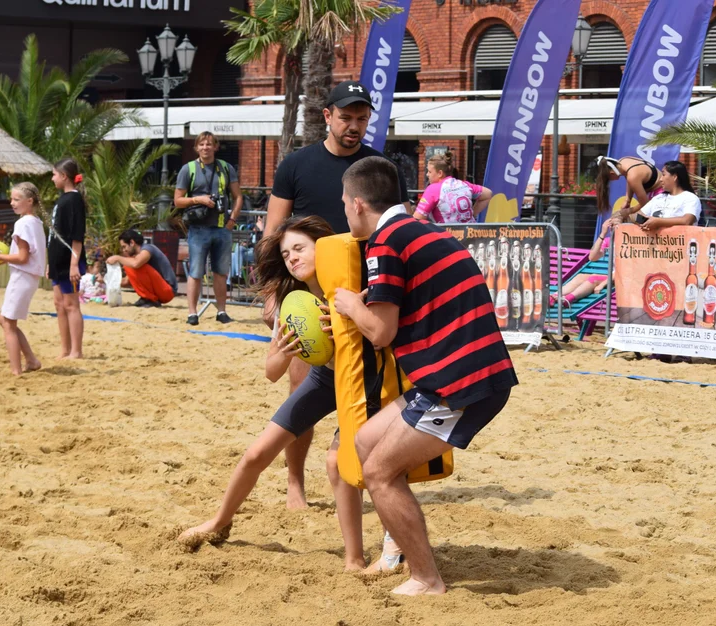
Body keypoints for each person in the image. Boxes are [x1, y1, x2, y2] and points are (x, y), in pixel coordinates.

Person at [333, 156, 518, 596]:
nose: (344, 211)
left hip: (461, 383)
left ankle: (427, 578)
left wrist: (349, 305)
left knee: (378, 472)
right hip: (461, 371)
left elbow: (380, 332)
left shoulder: (385, 242)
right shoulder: (422, 231)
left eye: (343, 203)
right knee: (365, 441)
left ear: (358, 204)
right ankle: (398, 548)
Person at [178, 215, 368, 572]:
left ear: (321, 247)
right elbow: (271, 373)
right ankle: (219, 521)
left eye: (299, 248)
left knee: (336, 464)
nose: (292, 258)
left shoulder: (350, 282)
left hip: (361, 378)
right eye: (285, 254)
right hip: (325, 378)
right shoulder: (291, 300)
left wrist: (350, 320)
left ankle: (354, 559)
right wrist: (282, 348)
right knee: (256, 454)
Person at [263, 80, 412, 511]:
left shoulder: (379, 167)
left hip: (364, 290)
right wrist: (273, 296)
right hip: (305, 289)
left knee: (369, 383)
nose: (354, 126)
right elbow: (276, 234)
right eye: (346, 117)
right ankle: (295, 483)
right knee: (300, 389)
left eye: (362, 118)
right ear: (326, 115)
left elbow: (397, 230)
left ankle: (357, 471)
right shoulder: (296, 164)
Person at [174, 132, 243, 326]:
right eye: (202, 144)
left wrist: (232, 219)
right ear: (196, 147)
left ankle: (221, 311)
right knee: (195, 272)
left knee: (221, 272)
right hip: (198, 229)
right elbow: (177, 200)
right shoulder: (188, 169)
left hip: (222, 228)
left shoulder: (226, 168)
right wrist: (198, 199)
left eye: (209, 144)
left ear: (215, 147)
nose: (205, 147)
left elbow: (238, 196)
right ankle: (192, 313)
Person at [0, 182, 46, 376]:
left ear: (29, 201)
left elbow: (22, 258)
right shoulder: (35, 221)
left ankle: (16, 370)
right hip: (28, 278)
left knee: (8, 323)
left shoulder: (23, 223)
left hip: (22, 277)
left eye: (16, 199)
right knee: (5, 320)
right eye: (11, 199)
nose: (12, 203)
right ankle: (31, 360)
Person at [49, 159, 87, 360]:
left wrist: (74, 264)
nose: (52, 178)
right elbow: (55, 234)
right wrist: (50, 262)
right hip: (58, 260)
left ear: (64, 176)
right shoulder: (62, 199)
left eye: (54, 174)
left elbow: (77, 235)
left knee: (71, 304)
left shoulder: (74, 200)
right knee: (59, 304)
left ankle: (76, 351)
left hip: (69, 261)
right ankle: (65, 349)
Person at [551, 216, 616, 309]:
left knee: (594, 278)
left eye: (615, 226)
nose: (612, 228)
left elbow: (622, 272)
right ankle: (554, 296)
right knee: (580, 276)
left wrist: (602, 284)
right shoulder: (610, 241)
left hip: (621, 280)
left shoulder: (627, 244)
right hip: (612, 277)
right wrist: (602, 234)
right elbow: (592, 257)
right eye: (612, 226)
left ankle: (569, 299)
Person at [413, 151, 491, 224]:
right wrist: (472, 214)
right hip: (471, 232)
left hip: (448, 235)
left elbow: (417, 219)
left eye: (429, 171)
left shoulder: (433, 189)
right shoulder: (464, 184)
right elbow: (488, 194)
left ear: (440, 173)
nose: (427, 174)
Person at [106, 229, 177, 307]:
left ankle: (149, 299)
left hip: (167, 290)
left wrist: (117, 258)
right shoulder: (136, 258)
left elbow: (135, 264)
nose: (124, 250)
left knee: (130, 264)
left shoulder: (148, 249)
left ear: (132, 243)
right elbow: (126, 281)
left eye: (124, 246)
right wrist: (105, 280)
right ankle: (147, 298)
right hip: (161, 290)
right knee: (129, 264)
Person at [634, 161, 701, 232]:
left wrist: (658, 222)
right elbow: (637, 216)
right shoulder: (658, 198)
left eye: (663, 175)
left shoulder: (690, 198)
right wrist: (645, 222)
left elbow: (687, 220)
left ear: (675, 177)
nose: (660, 179)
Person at [594, 155, 659, 221]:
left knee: (635, 219)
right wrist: (627, 200)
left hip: (660, 196)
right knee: (624, 218)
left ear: (612, 173)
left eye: (608, 179)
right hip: (653, 195)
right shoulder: (623, 161)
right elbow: (629, 179)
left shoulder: (632, 176)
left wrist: (628, 211)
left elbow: (646, 204)